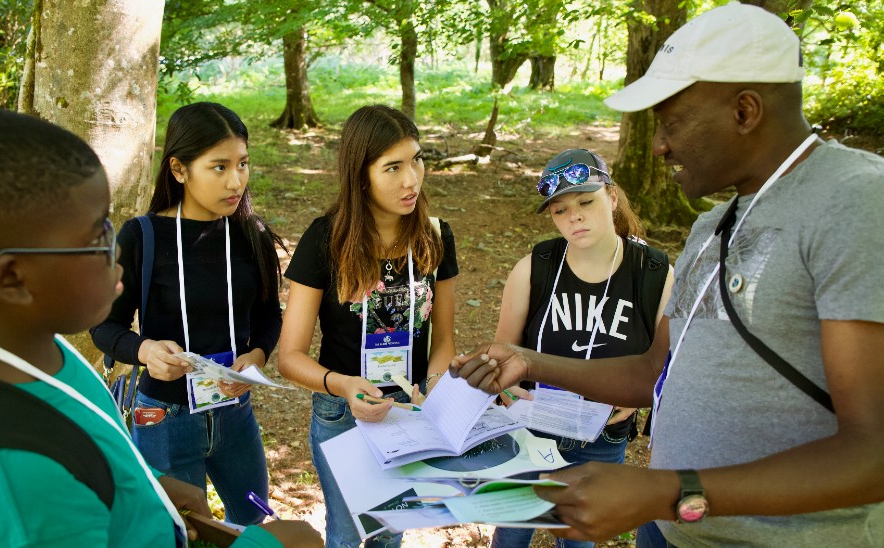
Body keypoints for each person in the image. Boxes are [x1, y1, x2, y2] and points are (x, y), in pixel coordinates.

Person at [450, 3, 884, 547]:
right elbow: (657, 370)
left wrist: (667, 491)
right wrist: (530, 361)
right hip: (680, 530)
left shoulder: (857, 202)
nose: (659, 145)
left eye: (672, 122)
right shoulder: (711, 227)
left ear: (745, 111)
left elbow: (873, 452)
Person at [0, 106, 321, 546]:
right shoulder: (13, 506)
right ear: (11, 278)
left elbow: (87, 441)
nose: (115, 252)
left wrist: (141, 484)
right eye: (95, 237)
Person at [90, 102, 285, 527]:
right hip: (164, 419)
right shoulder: (142, 236)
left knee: (254, 521)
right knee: (181, 531)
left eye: (243, 164)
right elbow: (104, 326)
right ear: (179, 169)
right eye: (219, 167)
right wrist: (144, 351)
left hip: (235, 414)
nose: (236, 180)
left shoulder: (252, 235)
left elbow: (270, 315)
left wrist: (257, 355)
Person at [277, 104, 459, 548]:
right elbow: (289, 357)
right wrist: (341, 386)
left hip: (410, 411)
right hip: (343, 412)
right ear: (362, 175)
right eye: (392, 167)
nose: (411, 179)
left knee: (389, 536)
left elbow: (445, 340)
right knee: (346, 534)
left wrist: (434, 383)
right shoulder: (326, 239)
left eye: (417, 159)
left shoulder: (435, 236)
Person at [489, 148, 673, 548]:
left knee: (578, 538)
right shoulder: (534, 267)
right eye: (560, 210)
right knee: (511, 532)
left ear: (611, 196)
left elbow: (666, 366)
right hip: (533, 431)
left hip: (602, 438)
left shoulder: (653, 273)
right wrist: (508, 391)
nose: (574, 217)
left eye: (586, 202)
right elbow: (502, 352)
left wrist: (639, 398)